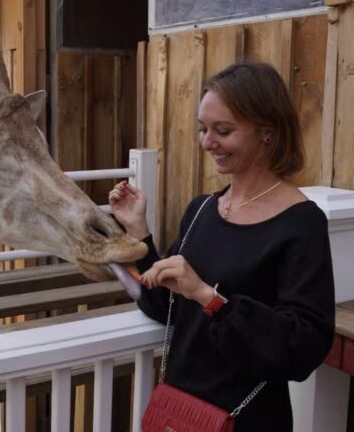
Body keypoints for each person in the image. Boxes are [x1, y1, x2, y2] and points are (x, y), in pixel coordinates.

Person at [109, 62, 335, 431]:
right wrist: (138, 231)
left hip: (248, 420)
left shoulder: (300, 222)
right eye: (203, 129)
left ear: (267, 132)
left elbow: (304, 347)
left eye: (223, 130)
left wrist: (209, 297)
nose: (207, 142)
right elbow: (164, 306)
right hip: (180, 416)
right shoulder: (202, 210)